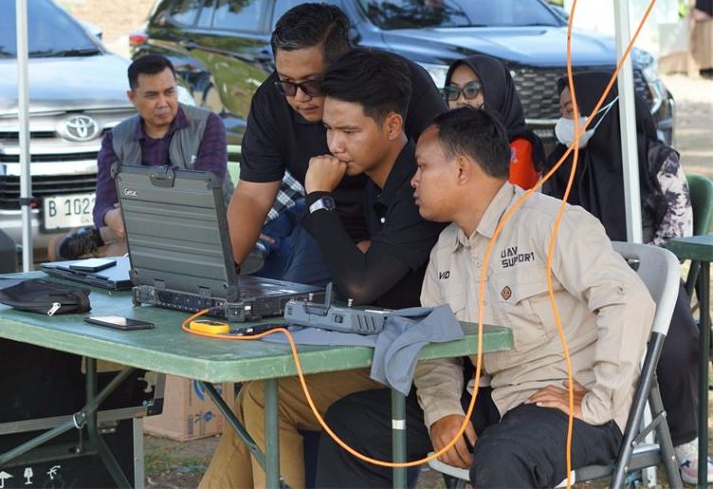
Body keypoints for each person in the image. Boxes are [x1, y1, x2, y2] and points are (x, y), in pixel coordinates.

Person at [316, 107, 655, 488]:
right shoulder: (446, 248)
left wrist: (601, 400)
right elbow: (433, 345)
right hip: (494, 400)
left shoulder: (549, 223)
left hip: (567, 400)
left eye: (423, 167)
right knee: (352, 422)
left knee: (501, 456)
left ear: (461, 170)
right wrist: (443, 412)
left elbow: (629, 300)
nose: (413, 180)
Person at [199, 49, 446, 489]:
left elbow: (360, 282)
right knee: (258, 395)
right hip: (389, 350)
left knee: (265, 397)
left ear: (393, 125)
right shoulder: (377, 183)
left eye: (349, 130)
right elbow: (359, 267)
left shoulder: (414, 183)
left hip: (430, 367)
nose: (334, 144)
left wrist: (318, 198)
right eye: (329, 129)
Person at [545, 71, 705, 484]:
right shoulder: (562, 164)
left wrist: (629, 271)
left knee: (674, 334)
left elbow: (677, 237)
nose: (566, 122)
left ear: (604, 110)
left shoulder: (656, 160)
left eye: (574, 111)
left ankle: (683, 444)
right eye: (562, 112)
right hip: (580, 287)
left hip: (651, 284)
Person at [227, 2, 445, 285]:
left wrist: (377, 256)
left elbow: (444, 164)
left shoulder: (399, 84)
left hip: (406, 220)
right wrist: (225, 273)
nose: (299, 97)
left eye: (311, 83)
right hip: (325, 221)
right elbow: (253, 196)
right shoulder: (272, 101)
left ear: (343, 65)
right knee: (299, 307)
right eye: (287, 84)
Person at [48, 54, 229, 260]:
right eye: (152, 95)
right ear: (132, 97)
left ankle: (96, 240)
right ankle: (103, 238)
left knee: (118, 251)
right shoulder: (116, 138)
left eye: (169, 92)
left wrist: (136, 207)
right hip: (140, 229)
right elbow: (103, 205)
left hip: (200, 228)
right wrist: (112, 217)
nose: (163, 103)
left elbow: (202, 195)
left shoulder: (207, 124)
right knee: (126, 240)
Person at [443, 55, 545, 190]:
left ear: (495, 92)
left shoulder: (518, 147)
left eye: (471, 90)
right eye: (453, 91)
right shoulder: (445, 142)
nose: (460, 100)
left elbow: (503, 204)